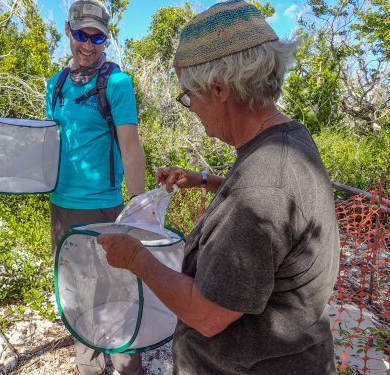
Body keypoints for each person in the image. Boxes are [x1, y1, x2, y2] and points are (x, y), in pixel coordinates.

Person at [97, 1, 340, 374]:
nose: (191, 108)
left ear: (219, 88)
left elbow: (207, 315)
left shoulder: (265, 185)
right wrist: (206, 181)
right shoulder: (285, 140)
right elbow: (272, 209)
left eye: (188, 96)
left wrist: (135, 258)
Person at [45, 1, 146, 374]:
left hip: (104, 207)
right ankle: (88, 366)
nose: (88, 45)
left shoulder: (117, 83)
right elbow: (49, 144)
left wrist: (138, 206)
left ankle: (127, 365)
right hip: (60, 206)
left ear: (106, 39)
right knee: (74, 291)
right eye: (82, 34)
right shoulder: (54, 85)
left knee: (116, 290)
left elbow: (131, 146)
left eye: (98, 37)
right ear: (69, 31)